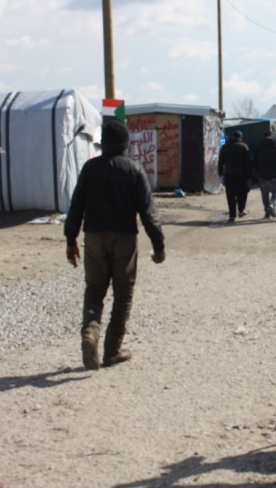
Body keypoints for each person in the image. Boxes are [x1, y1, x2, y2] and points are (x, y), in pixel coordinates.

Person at [64, 120, 166, 371]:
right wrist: (158, 244)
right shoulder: (133, 169)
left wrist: (71, 241)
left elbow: (76, 206)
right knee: (123, 295)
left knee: (95, 290)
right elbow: (147, 212)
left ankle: (90, 334)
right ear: (125, 145)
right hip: (124, 239)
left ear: (102, 144)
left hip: (94, 239)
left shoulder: (89, 169)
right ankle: (112, 351)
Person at [217, 129, 252, 222]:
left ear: (232, 137)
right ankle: (241, 211)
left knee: (230, 195)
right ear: (240, 137)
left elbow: (221, 161)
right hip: (241, 175)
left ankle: (232, 215)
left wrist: (220, 173)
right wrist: (249, 176)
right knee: (242, 194)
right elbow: (248, 163)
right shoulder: (244, 147)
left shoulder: (225, 147)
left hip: (229, 175)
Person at [252, 130, 276, 219]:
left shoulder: (258, 147)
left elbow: (254, 161)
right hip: (274, 175)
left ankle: (267, 213)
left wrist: (256, 173)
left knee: (264, 194)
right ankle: (272, 205)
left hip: (262, 175)